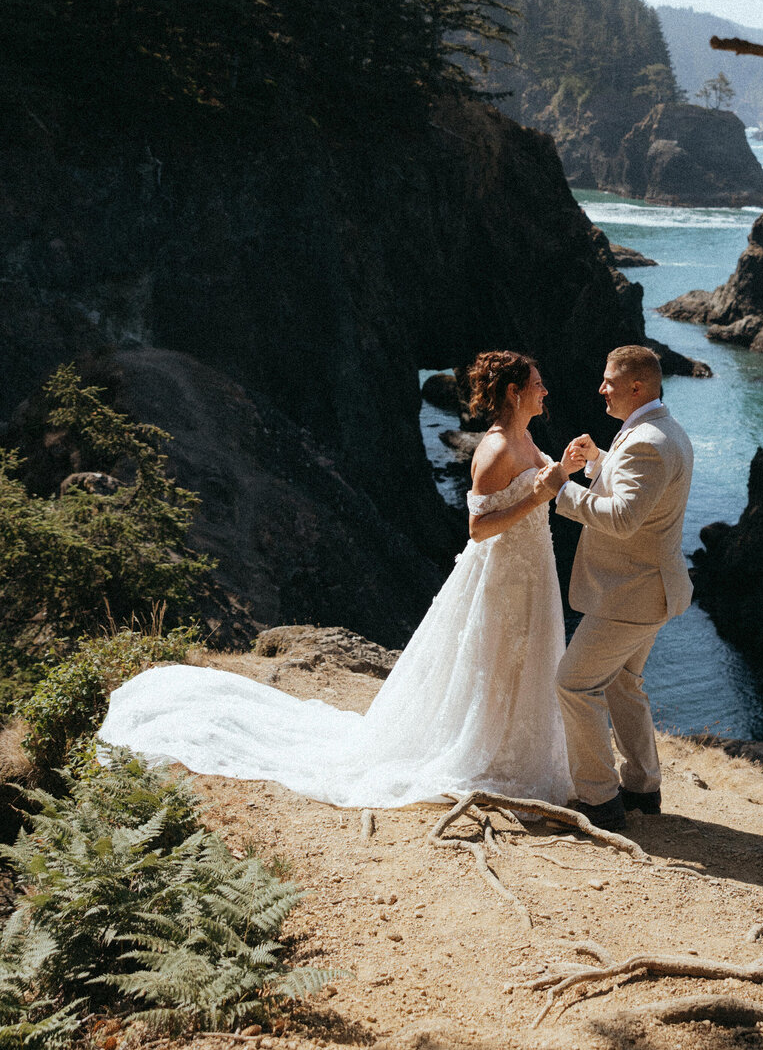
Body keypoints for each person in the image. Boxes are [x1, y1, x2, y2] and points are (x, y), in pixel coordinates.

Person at [98, 351, 573, 809]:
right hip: (503, 575)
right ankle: (483, 753)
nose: (544, 391)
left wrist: (569, 469)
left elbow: (543, 484)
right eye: (536, 385)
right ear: (514, 393)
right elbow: (478, 529)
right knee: (492, 660)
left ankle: (514, 751)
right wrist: (537, 497)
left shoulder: (527, 439)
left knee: (522, 659)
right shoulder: (493, 449)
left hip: (531, 567)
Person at [544, 344, 694, 831]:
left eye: (609, 381)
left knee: (575, 683)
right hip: (653, 588)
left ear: (636, 387)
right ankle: (642, 789)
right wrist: (600, 461)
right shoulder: (665, 430)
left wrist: (560, 491)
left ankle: (598, 801)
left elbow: (625, 518)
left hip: (629, 595)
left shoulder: (648, 441)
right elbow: (643, 488)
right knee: (625, 684)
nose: (601, 388)